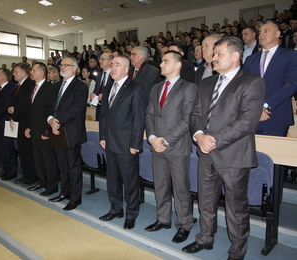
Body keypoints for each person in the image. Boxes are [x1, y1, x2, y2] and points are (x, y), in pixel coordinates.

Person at [184, 37, 265, 260]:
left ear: (235, 56)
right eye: (214, 53)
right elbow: (195, 114)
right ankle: (205, 238)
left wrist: (214, 140)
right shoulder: (207, 83)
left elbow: (247, 121)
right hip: (206, 153)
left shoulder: (252, 82)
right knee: (205, 201)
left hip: (234, 155)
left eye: (219, 54)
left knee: (236, 208)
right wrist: (199, 135)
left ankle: (237, 252)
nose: (213, 58)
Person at [145, 51, 197, 242]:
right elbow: (149, 115)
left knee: (181, 188)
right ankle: (163, 219)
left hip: (176, 146)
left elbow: (186, 121)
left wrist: (165, 140)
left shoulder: (189, 88)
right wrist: (152, 138)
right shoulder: (156, 87)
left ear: (177, 65)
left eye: (166, 61)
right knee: (161, 186)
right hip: (156, 145)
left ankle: (185, 224)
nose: (161, 64)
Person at [99, 55, 147, 229]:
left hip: (127, 144)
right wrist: (102, 137)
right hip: (110, 142)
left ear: (127, 69)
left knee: (130, 181)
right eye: (112, 65)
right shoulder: (109, 86)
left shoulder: (136, 88)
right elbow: (104, 115)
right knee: (112, 179)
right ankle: (116, 208)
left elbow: (138, 118)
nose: (113, 68)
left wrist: (136, 144)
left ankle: (131, 214)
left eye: (117, 65)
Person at [46, 56, 88, 211]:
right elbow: (49, 105)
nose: (62, 67)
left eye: (66, 65)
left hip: (71, 132)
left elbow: (76, 109)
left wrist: (57, 121)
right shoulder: (56, 86)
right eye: (61, 65)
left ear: (74, 68)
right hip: (56, 130)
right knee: (62, 165)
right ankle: (64, 192)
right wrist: (50, 119)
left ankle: (75, 198)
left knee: (73, 167)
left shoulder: (80, 86)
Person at [244, 21, 297, 137]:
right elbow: (244, 87)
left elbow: (292, 84)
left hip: (277, 116)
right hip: (252, 116)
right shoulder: (250, 60)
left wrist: (265, 105)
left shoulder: (291, 56)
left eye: (266, 31)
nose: (261, 34)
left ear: (278, 34)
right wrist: (256, 107)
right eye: (260, 32)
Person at [25, 62, 59, 196]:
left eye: (33, 70)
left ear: (41, 72)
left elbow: (51, 110)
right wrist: (29, 126)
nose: (31, 72)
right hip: (34, 127)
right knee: (37, 157)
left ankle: (52, 185)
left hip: (44, 129)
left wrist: (47, 130)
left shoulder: (49, 88)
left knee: (48, 158)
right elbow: (31, 110)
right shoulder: (34, 87)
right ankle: (41, 180)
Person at [9, 62, 36, 184]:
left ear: (24, 72)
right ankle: (26, 174)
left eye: (16, 72)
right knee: (22, 151)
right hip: (20, 122)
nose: (13, 74)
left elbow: (25, 105)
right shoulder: (18, 85)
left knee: (28, 151)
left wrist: (14, 115)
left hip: (26, 122)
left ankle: (32, 176)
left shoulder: (29, 85)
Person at [0, 68, 17, 181]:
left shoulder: (11, 88)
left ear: (4, 76)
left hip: (5, 121)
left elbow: (6, 105)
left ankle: (11, 171)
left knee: (8, 148)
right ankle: (5, 169)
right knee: (1, 148)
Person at [90, 53, 113, 120]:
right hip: (99, 107)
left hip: (110, 108)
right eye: (100, 59)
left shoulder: (114, 75)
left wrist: (105, 95)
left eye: (102, 59)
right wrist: (93, 94)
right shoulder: (99, 76)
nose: (100, 61)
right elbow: (97, 90)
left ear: (110, 61)